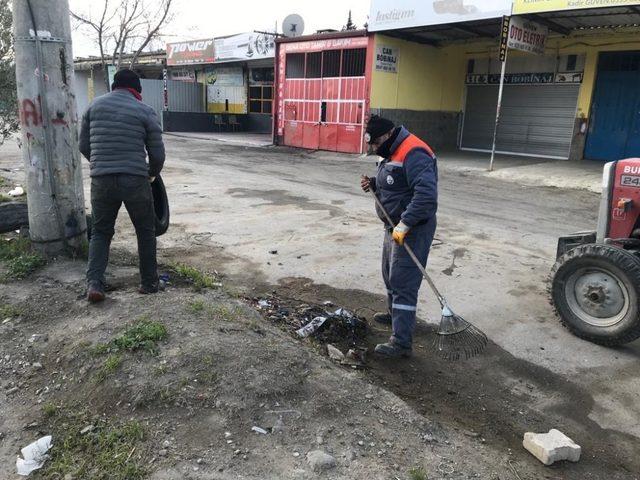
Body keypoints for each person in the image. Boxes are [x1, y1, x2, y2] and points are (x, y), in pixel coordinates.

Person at [79, 68, 165, 303]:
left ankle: (95, 283)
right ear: (137, 89)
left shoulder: (93, 107)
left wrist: (101, 164)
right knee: (145, 231)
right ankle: (149, 283)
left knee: (101, 232)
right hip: (135, 179)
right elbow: (157, 155)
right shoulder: (145, 111)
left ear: (114, 86)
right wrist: (151, 175)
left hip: (101, 180)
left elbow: (84, 145)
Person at [360, 115, 438, 358]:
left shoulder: (414, 152)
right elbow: (397, 182)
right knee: (389, 275)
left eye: (375, 144)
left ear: (387, 134)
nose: (373, 149)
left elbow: (425, 196)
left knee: (403, 283)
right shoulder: (391, 148)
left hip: (412, 229)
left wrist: (404, 225)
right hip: (392, 226)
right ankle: (396, 316)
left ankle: (401, 342)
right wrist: (374, 183)